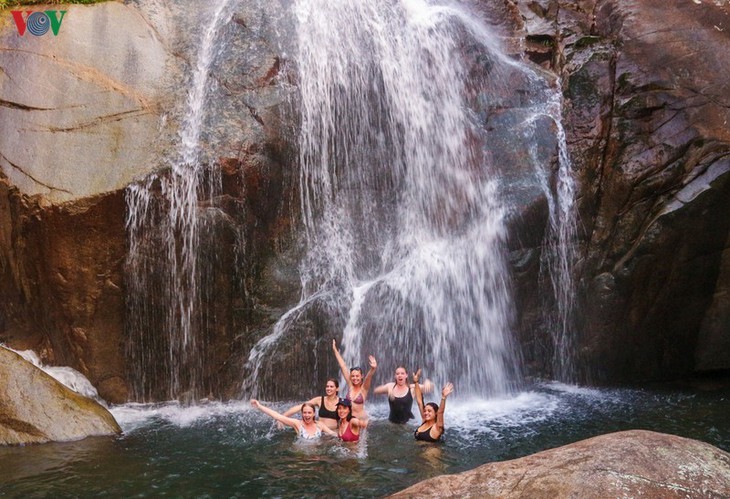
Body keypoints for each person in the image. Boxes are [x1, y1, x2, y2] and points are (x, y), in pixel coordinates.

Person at [332, 339, 377, 420]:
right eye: (353, 376)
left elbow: (368, 377)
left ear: (361, 376)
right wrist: (335, 350)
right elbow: (343, 366)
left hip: (361, 421)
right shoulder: (350, 385)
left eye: (357, 376)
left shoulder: (364, 389)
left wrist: (373, 369)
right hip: (349, 419)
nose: (355, 378)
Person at [250, 399, 337, 440]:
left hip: (316, 456)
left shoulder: (320, 425)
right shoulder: (297, 424)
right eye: (304, 412)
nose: (307, 415)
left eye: (309, 413)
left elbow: (333, 433)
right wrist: (259, 406)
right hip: (300, 456)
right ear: (302, 413)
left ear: (314, 413)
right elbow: (277, 416)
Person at [412, 369, 453, 442]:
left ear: (436, 413)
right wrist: (416, 382)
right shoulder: (424, 420)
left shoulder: (437, 427)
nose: (426, 413)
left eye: (429, 411)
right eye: (425, 411)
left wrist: (443, 397)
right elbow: (419, 402)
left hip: (432, 453)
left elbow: (441, 412)